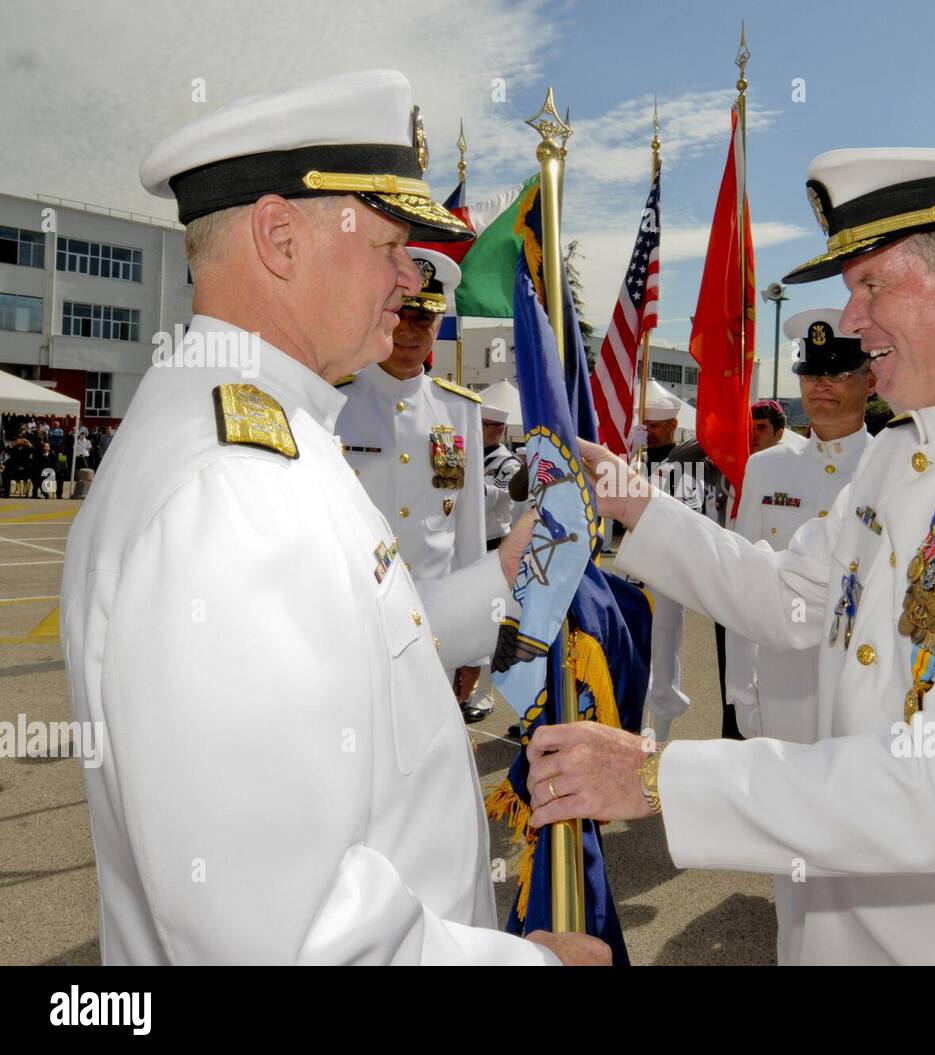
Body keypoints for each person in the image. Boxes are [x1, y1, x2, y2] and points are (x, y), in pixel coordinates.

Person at [525, 147, 935, 965]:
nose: (850, 321)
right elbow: (790, 597)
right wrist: (633, 498)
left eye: (872, 285)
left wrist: (658, 776)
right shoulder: (900, 453)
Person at [60, 69, 606, 965]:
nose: (412, 279)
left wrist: (510, 569)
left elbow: (367, 644)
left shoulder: (278, 434)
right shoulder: (232, 492)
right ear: (279, 238)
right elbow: (282, 936)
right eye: (390, 243)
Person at [335, 246, 490, 724]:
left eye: (423, 321)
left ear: (438, 327)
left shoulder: (461, 410)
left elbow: (470, 536)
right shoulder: (334, 401)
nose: (409, 331)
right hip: (350, 625)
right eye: (400, 315)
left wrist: (475, 643)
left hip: (434, 627)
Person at [726, 308, 875, 746]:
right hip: (781, 687)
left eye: (840, 372)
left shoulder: (894, 465)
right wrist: (741, 690)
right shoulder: (766, 468)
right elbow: (742, 581)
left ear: (872, 381)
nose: (822, 384)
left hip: (862, 688)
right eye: (811, 374)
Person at [632, 387, 703, 740]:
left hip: (667, 574)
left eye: (656, 426)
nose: (650, 431)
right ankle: (635, 724)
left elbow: (686, 516)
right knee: (635, 650)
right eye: (645, 425)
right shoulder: (635, 460)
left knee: (662, 656)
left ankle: (660, 734)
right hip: (635, 569)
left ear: (674, 424)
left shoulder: (686, 465)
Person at [466, 400, 525, 722]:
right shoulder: (471, 456)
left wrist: (463, 473)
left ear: (499, 429)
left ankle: (485, 693)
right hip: (464, 549)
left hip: (493, 549)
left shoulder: (508, 464)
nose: (477, 429)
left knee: (491, 627)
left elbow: (498, 498)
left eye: (485, 425)